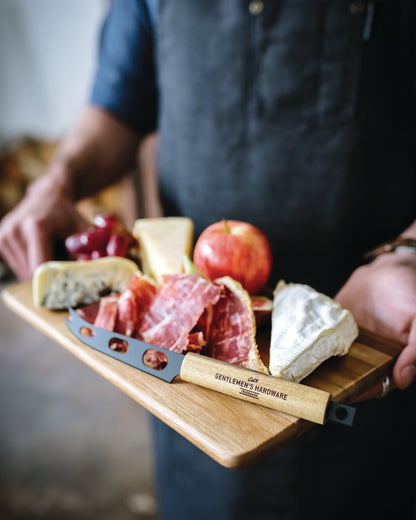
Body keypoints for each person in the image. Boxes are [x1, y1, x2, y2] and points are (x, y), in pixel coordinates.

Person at [1, 1, 416, 518]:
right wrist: (56, 180)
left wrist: (410, 252)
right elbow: (116, 104)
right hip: (191, 344)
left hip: (367, 339)